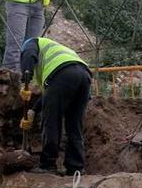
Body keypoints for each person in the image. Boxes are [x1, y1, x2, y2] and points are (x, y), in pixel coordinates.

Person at [19, 37, 91, 176]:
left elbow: (29, 54)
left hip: (62, 74)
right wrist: (33, 110)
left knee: (51, 121)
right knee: (74, 124)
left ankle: (48, 164)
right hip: (84, 76)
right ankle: (76, 167)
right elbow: (48, 94)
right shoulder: (57, 50)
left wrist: (25, 78)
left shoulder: (31, 42)